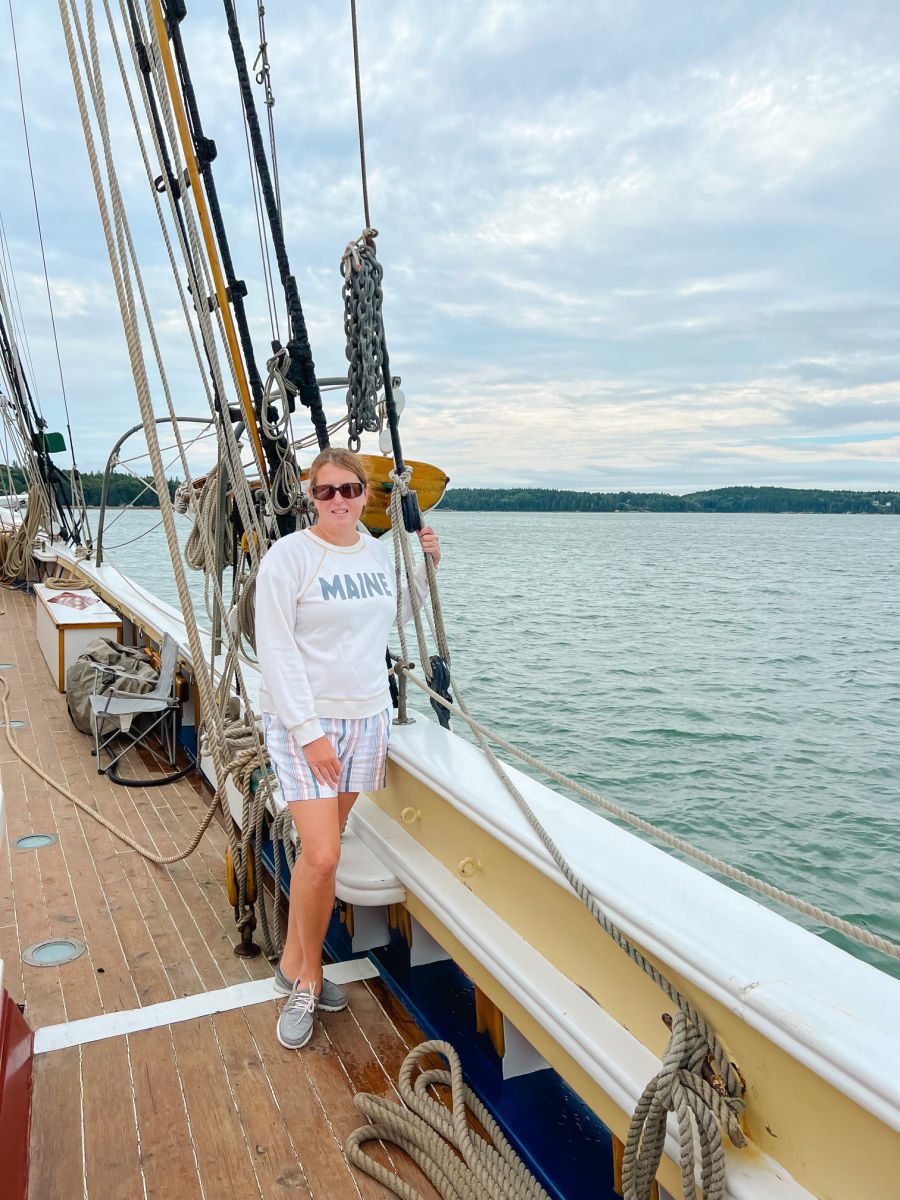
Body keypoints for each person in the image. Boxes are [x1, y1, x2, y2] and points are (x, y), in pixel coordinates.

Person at [255, 447, 441, 1049]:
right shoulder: (290, 557)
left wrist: (424, 571)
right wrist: (307, 732)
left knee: (318, 860)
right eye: (325, 491)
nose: (338, 500)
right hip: (308, 726)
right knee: (325, 855)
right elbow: (276, 649)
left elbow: (387, 620)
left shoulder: (375, 553)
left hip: (367, 720)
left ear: (367, 496)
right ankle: (310, 979)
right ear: (311, 498)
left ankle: (289, 962)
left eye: (349, 490)